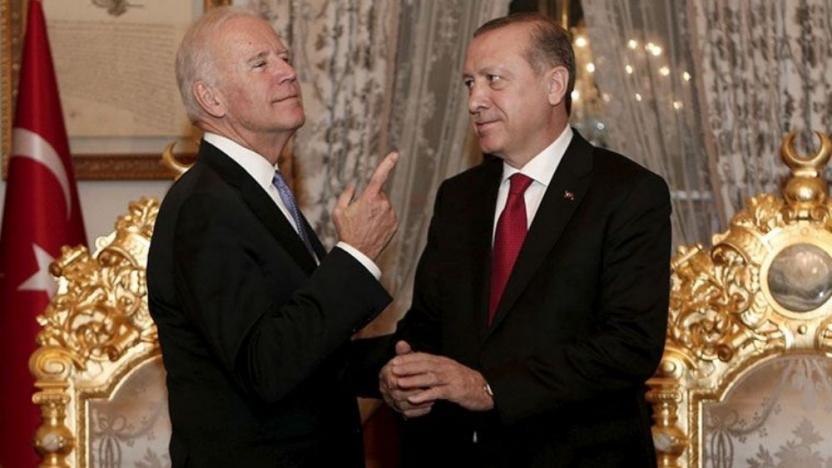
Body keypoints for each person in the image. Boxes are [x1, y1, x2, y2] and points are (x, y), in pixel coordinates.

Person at [378, 13, 672, 467]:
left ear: (554, 86)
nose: (475, 101)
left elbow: (629, 345)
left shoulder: (628, 193)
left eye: (493, 80)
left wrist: (490, 388)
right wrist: (399, 375)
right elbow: (428, 327)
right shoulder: (459, 197)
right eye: (470, 83)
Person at [147, 7, 398, 467]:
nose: (287, 72)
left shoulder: (256, 191)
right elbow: (266, 366)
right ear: (211, 98)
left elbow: (304, 349)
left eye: (284, 57)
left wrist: (390, 367)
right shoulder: (206, 207)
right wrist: (356, 254)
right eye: (260, 63)